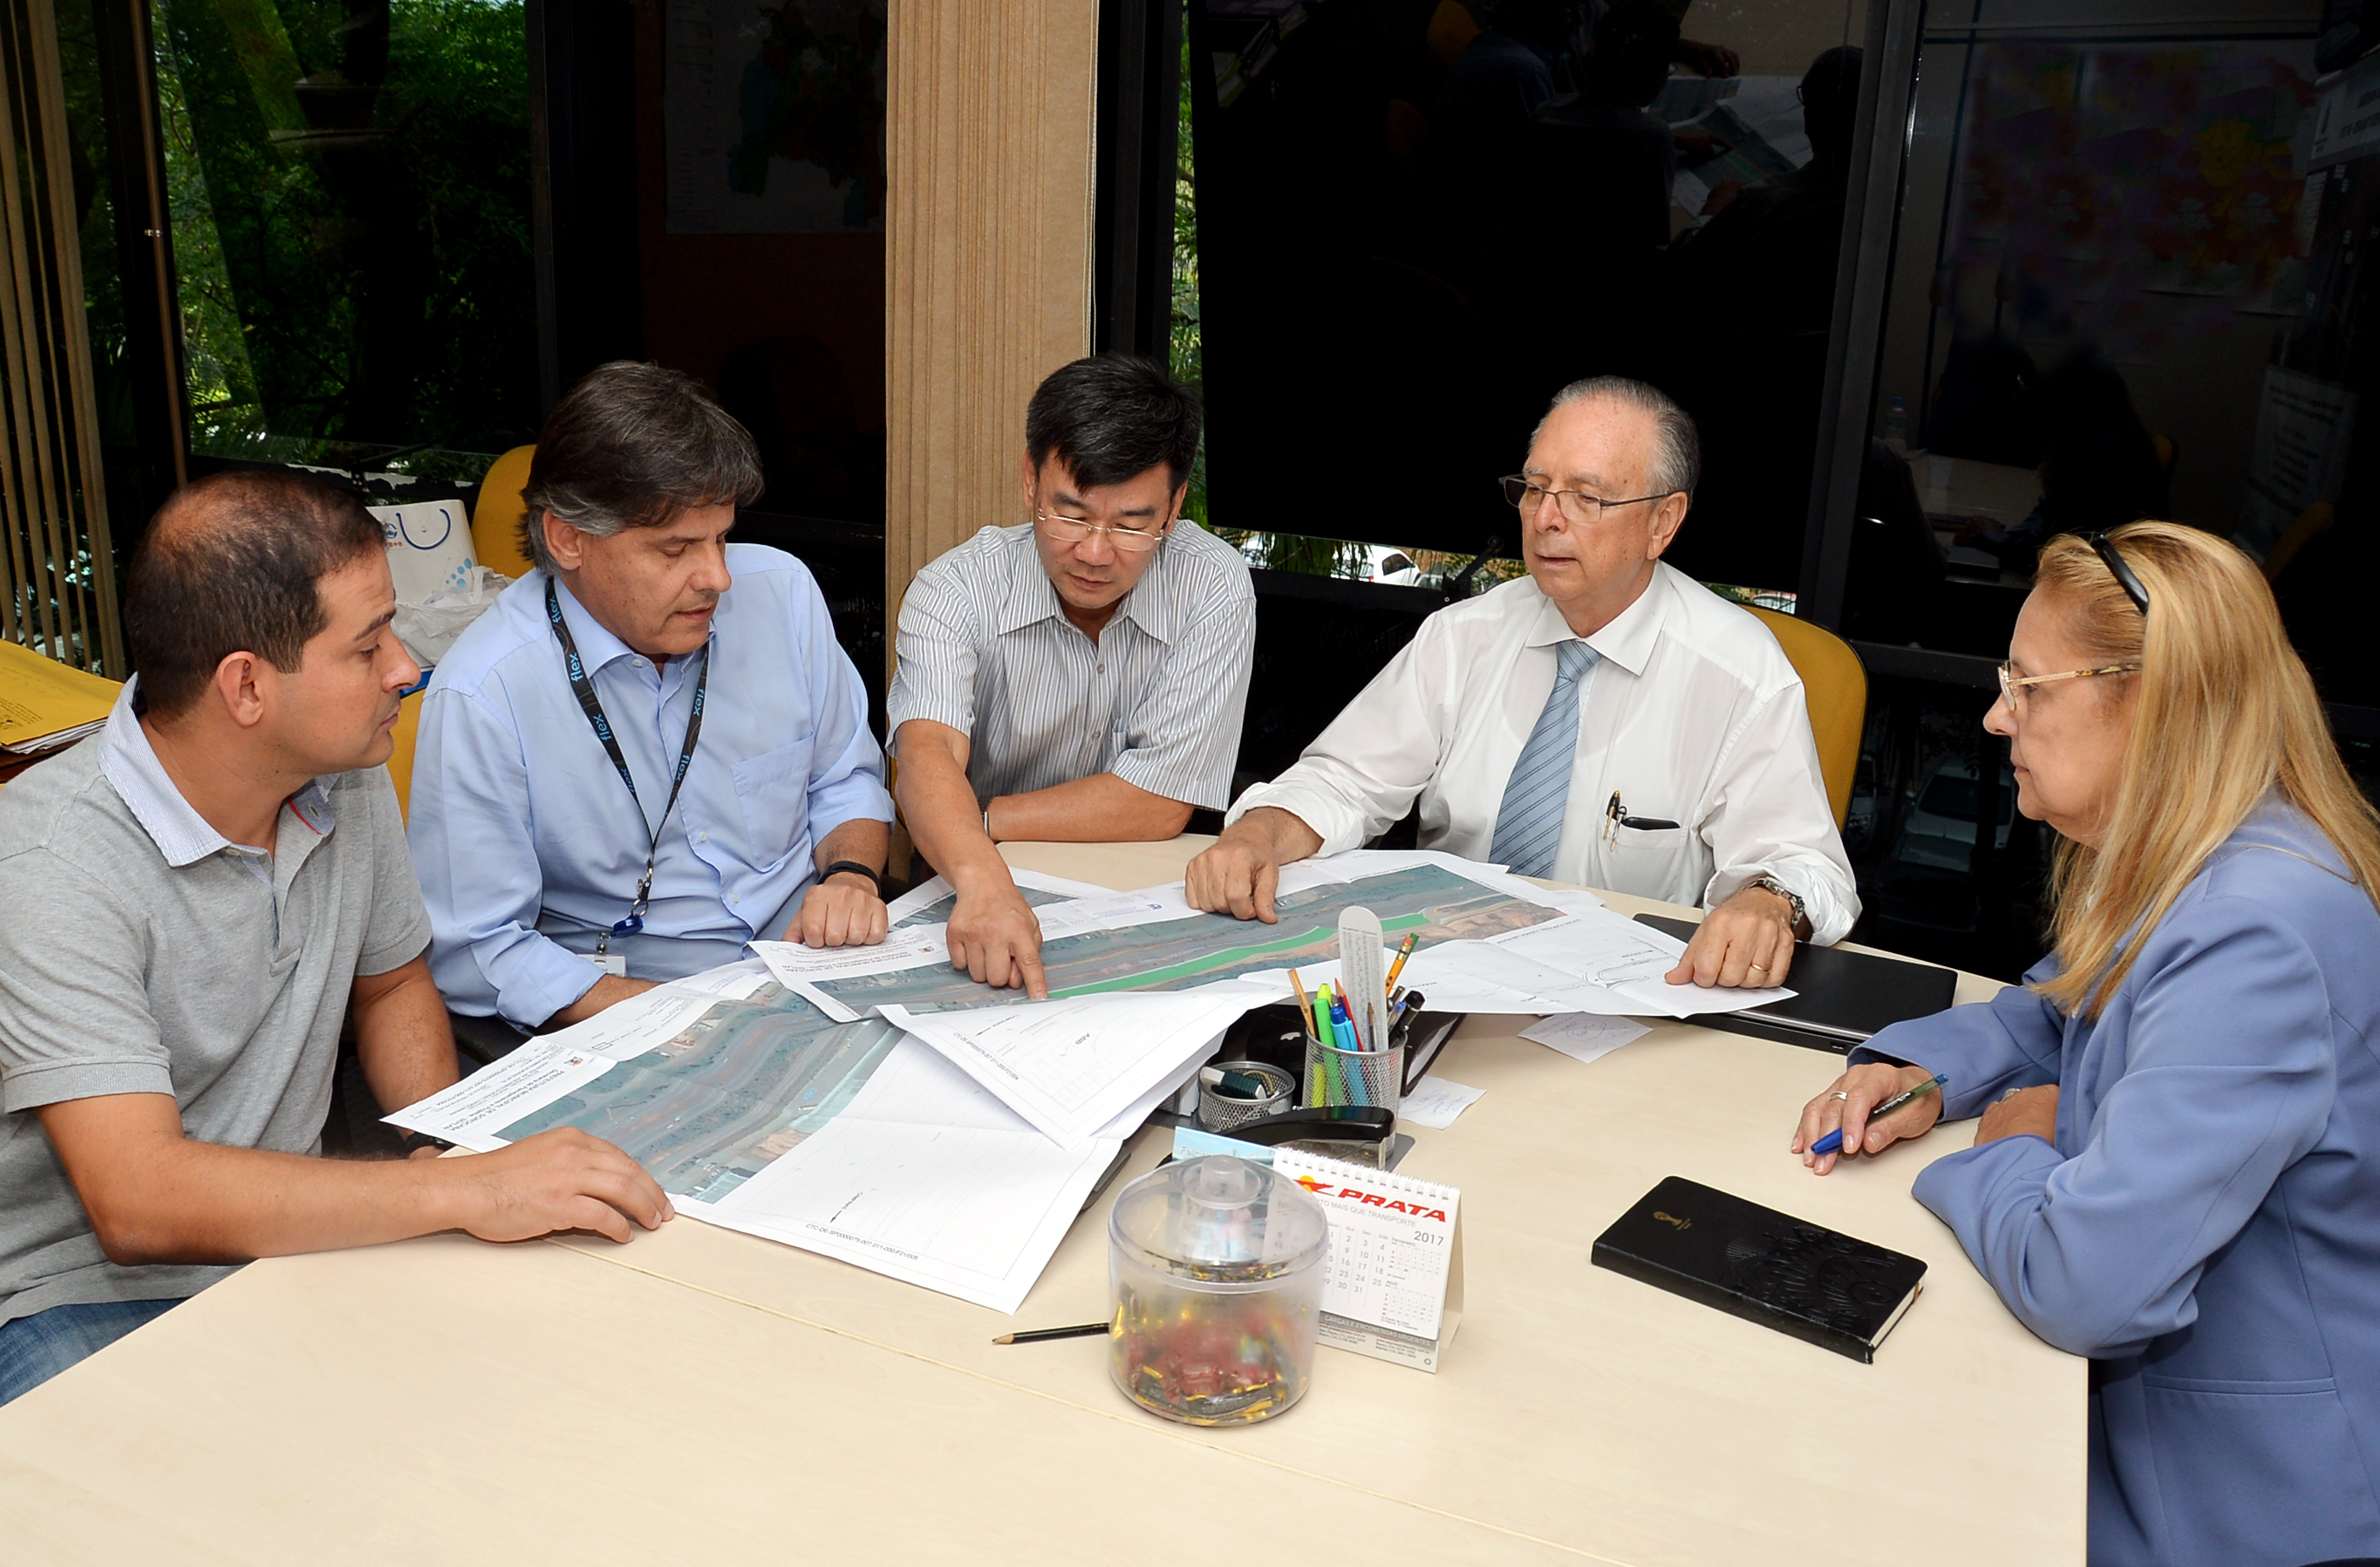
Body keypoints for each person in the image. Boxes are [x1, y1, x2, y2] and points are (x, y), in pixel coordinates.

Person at [0, 472, 672, 1405]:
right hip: (74, 1298)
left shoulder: (340, 773)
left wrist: (447, 1146)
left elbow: (392, 983)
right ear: (246, 686)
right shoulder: (47, 859)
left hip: (297, 1243)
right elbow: (138, 1199)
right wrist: (466, 1192)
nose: (406, 667)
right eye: (368, 646)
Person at [1792, 522, 2380, 1566]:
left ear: (2149, 703)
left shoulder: (2254, 931)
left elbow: (2086, 1284)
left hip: (2235, 1498)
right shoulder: (2211, 852)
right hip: (2141, 1423)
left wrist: (2011, 1147)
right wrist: (1921, 1075)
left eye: (2025, 687)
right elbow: (2057, 1014)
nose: (1994, 716)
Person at [1190, 376, 1857, 988]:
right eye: (1535, 488)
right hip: (1439, 975)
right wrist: (1258, 834)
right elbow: (1343, 782)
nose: (1544, 519)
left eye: (1586, 497)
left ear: (1663, 521)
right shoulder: (1464, 636)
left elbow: (1809, 867)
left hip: (1625, 999)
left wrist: (1768, 902)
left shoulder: (1738, 673)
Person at [408, 363, 892, 1035]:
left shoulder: (782, 594)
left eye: (721, 537)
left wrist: (849, 878)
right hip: (637, 1012)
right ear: (568, 538)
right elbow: (478, 951)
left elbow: (845, 780)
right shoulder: (487, 692)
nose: (717, 577)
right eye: (675, 549)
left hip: (815, 969)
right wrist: (688, 1016)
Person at [888, 354, 1254, 998]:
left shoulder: (1211, 586)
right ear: (1031, 481)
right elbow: (925, 756)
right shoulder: (953, 589)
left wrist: (978, 816)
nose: (1094, 551)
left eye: (1131, 525)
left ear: (1173, 508)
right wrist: (981, 875)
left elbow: (1159, 801)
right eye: (1072, 515)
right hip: (977, 881)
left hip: (1136, 888)